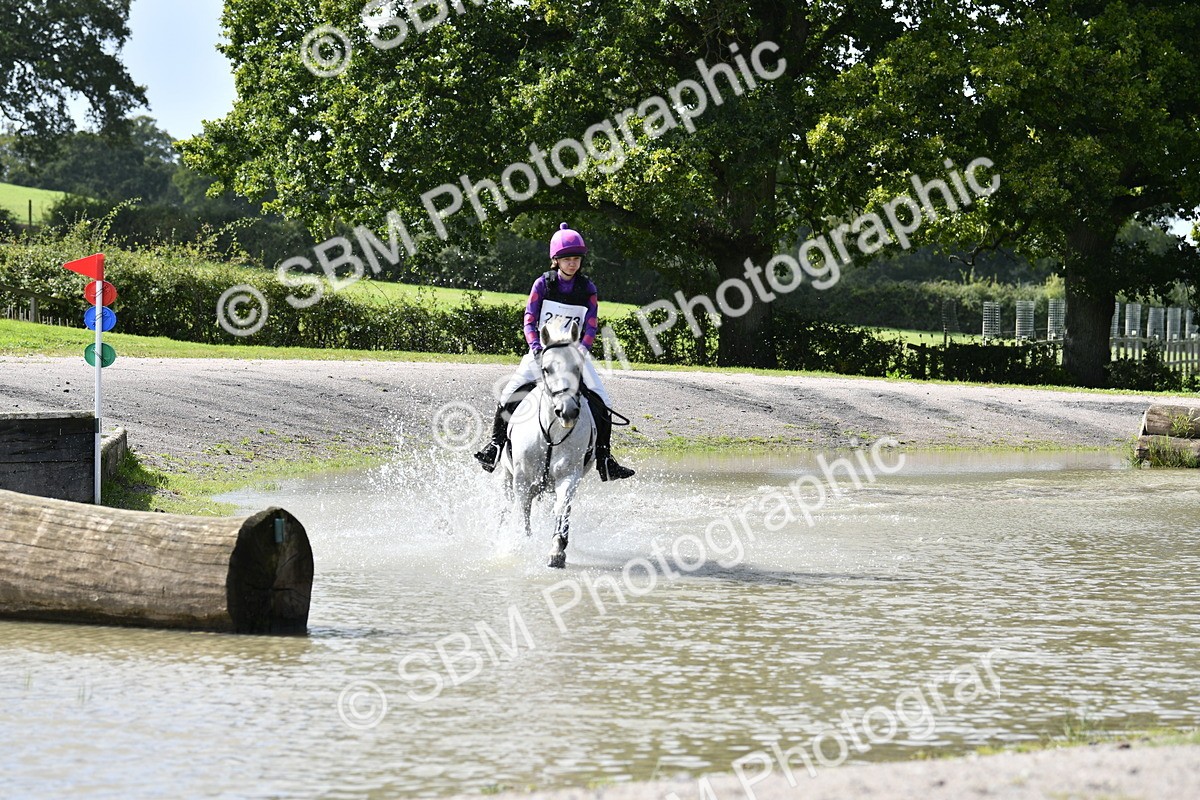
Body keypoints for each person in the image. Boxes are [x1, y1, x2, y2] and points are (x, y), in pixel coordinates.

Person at [474, 223, 635, 482]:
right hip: (541, 353)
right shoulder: (542, 284)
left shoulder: (588, 288)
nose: (573, 264)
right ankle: (494, 446)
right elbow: (529, 319)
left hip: (574, 355)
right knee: (508, 395)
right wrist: (536, 348)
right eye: (567, 259)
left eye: (577, 259)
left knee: (603, 401)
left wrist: (582, 350)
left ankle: (605, 459)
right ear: (556, 260)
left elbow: (591, 324)